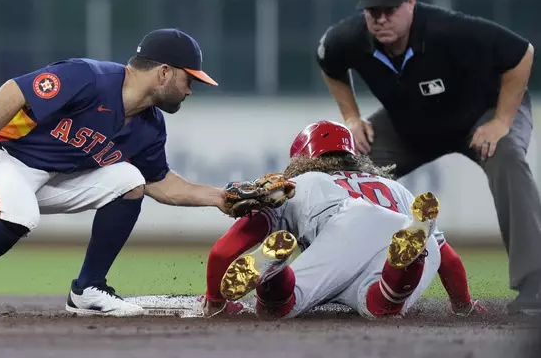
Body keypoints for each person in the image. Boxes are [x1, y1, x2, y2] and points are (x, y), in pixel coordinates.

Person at [0, 28, 231, 317]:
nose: (190, 90)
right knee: (19, 214)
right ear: (165, 72)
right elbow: (13, 92)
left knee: (131, 180)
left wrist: (220, 197)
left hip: (53, 178)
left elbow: (159, 183)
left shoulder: (149, 127)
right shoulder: (89, 77)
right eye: (189, 80)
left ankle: (88, 289)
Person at [315, 0, 538, 314]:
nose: (381, 18)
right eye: (374, 11)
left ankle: (535, 286)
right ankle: (318, 280)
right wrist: (352, 118)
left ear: (412, 3)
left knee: (508, 157)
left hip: (482, 115)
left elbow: (521, 53)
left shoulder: (449, 29)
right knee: (345, 169)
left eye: (391, 8)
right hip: (411, 125)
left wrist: (502, 121)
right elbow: (329, 64)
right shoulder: (348, 39)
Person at [200, 120, 485, 319]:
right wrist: (464, 306)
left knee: (280, 307)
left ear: (300, 158)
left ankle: (273, 270)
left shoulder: (300, 183)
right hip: (404, 228)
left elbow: (224, 250)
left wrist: (215, 302)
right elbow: (450, 261)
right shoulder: (394, 187)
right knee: (380, 306)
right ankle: (406, 259)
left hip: (348, 225)